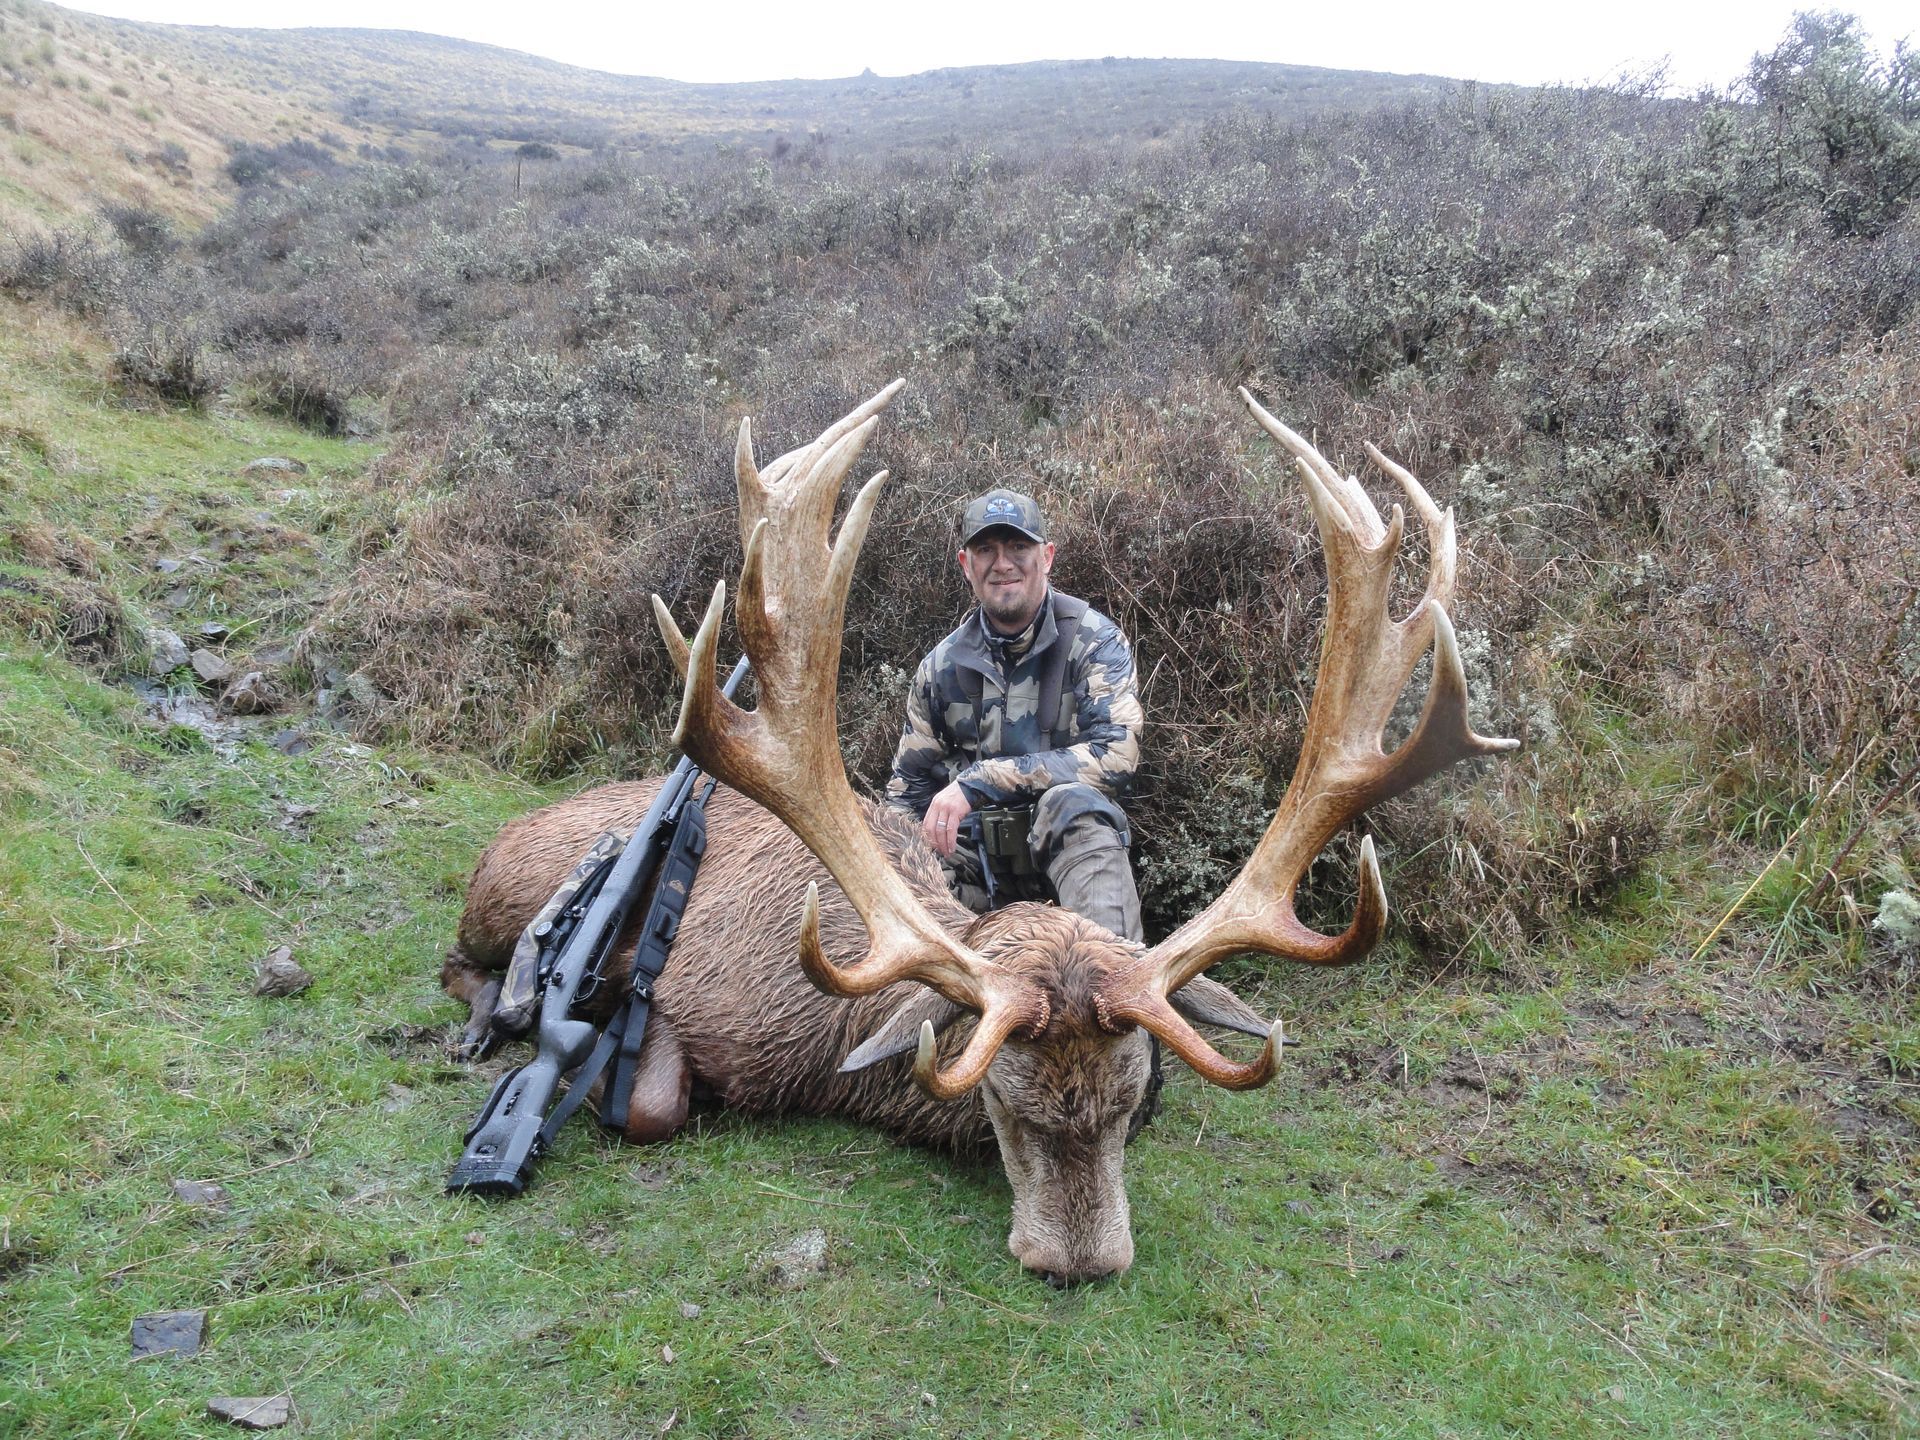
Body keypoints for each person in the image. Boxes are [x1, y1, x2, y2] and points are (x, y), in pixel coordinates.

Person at [885, 488, 1144, 941]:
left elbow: (1116, 756)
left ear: (1046, 557)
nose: (1002, 564)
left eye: (1018, 548)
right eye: (986, 549)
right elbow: (906, 795)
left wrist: (982, 779)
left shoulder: (1094, 642)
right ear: (967, 565)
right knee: (906, 852)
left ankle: (1116, 981)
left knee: (1076, 805)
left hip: (1071, 879)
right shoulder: (939, 668)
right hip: (974, 883)